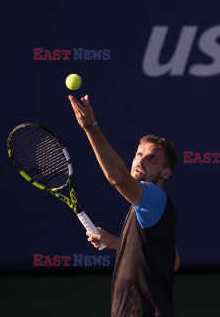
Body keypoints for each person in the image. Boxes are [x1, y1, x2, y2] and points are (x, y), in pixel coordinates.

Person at [68, 94, 180, 317]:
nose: (140, 160)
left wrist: (90, 127)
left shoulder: (154, 197)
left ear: (166, 173)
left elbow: (117, 177)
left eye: (151, 159)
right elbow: (173, 262)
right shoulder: (144, 208)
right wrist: (117, 243)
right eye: (139, 154)